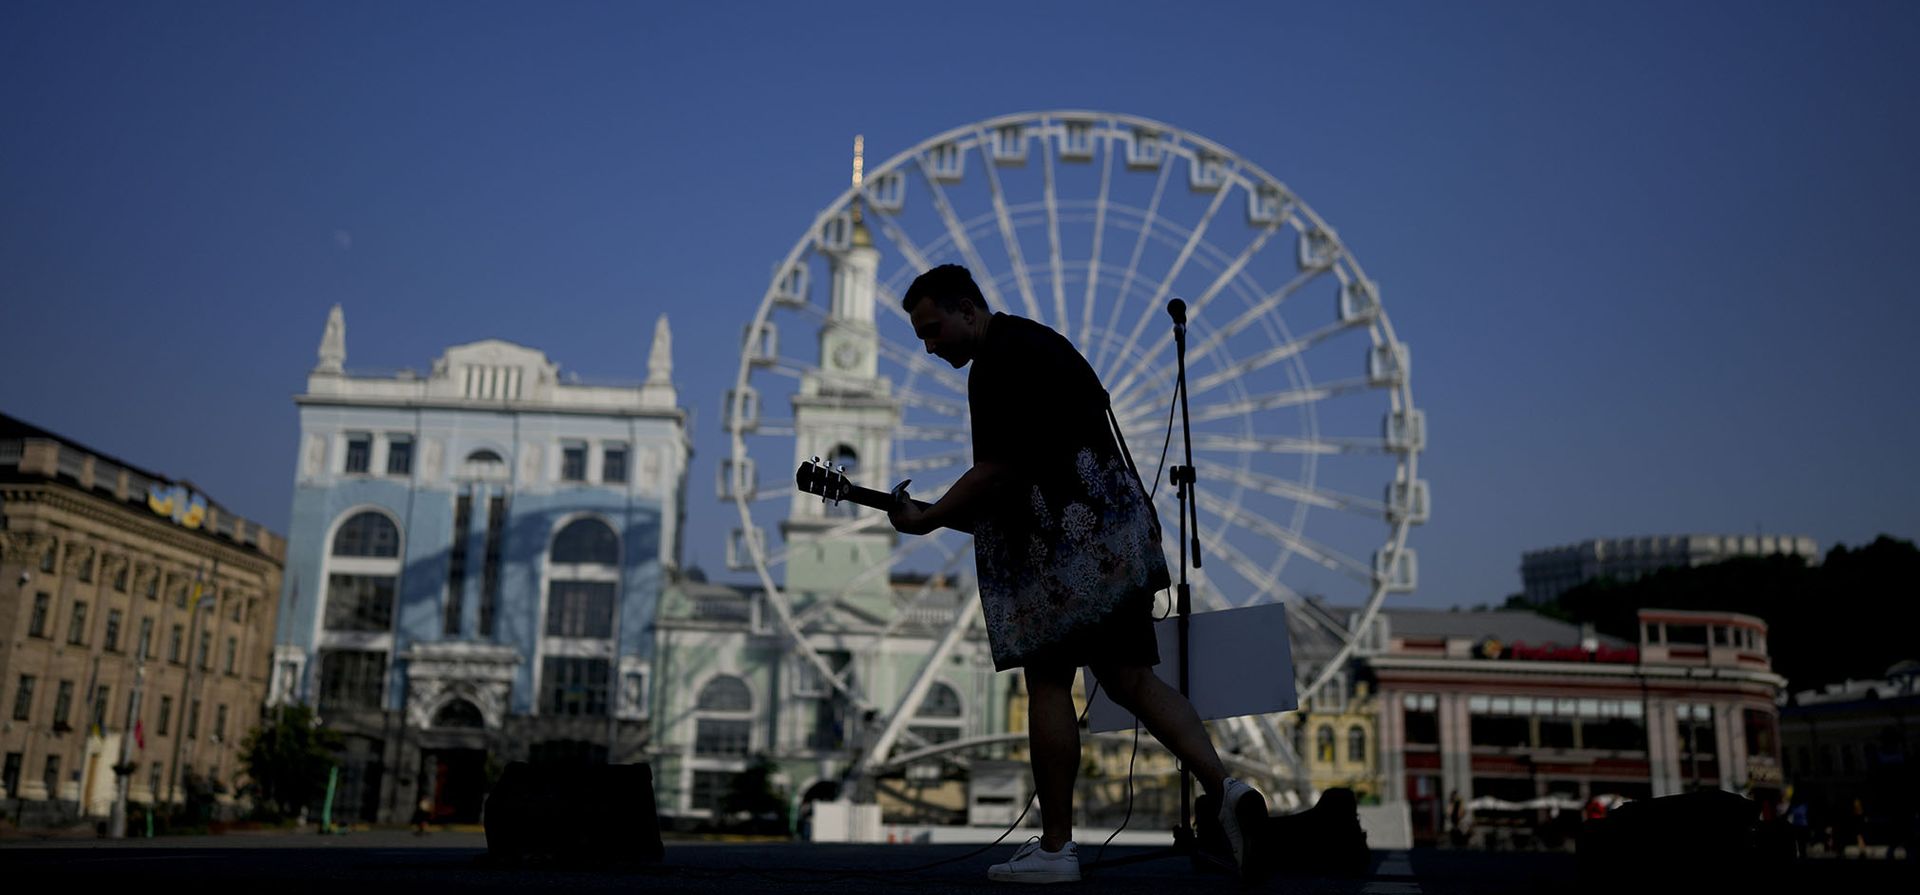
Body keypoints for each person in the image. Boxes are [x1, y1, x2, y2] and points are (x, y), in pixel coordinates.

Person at [887, 264, 1267, 884]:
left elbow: (996, 473)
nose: (929, 347)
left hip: (1065, 552)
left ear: (967, 309)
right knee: (1131, 679)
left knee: (1047, 683)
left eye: (933, 330)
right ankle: (1226, 791)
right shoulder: (1046, 342)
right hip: (1119, 537)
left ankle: (1057, 849)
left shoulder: (994, 365)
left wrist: (928, 519)